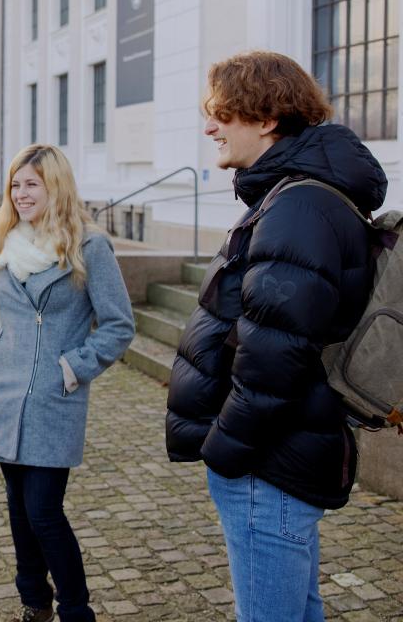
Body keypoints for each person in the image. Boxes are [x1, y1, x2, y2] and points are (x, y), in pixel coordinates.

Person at [165, 51, 387, 622]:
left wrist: (225, 450)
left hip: (268, 462)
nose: (209, 127)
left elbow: (275, 355)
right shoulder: (295, 195)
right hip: (278, 455)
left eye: (220, 113)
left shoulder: (299, 205)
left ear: (266, 119)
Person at [0, 144, 135, 622]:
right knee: (17, 509)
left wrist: (72, 368)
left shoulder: (89, 246)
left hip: (51, 399)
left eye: (32, 184)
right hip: (2, 393)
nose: (21, 194)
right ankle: (34, 603)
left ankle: (75, 610)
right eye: (15, 184)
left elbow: (119, 325)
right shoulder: (9, 240)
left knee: (44, 511)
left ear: (56, 187)